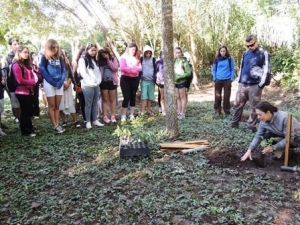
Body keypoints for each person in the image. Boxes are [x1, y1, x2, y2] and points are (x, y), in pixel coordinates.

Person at [231, 34, 271, 131]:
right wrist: (239, 80)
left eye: (252, 45)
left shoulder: (263, 53)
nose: (250, 47)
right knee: (237, 105)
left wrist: (261, 84)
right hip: (243, 84)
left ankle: (251, 126)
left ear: (256, 42)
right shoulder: (245, 53)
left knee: (254, 108)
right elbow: (242, 67)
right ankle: (234, 123)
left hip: (255, 84)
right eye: (247, 46)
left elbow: (267, 70)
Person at [39, 39, 66, 133]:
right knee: (52, 106)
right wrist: (52, 82)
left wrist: (61, 81)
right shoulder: (44, 57)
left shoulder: (60, 57)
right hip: (49, 83)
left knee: (57, 106)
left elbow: (64, 70)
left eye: (57, 47)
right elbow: (42, 70)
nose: (55, 49)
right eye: (53, 47)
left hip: (59, 83)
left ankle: (57, 124)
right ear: (48, 47)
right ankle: (54, 125)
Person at [12, 46, 38, 136]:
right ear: (19, 53)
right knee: (25, 111)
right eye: (24, 52)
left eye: (27, 52)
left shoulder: (26, 64)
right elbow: (19, 80)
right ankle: (26, 131)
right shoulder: (16, 65)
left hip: (29, 91)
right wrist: (32, 82)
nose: (27, 54)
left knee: (29, 111)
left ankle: (29, 128)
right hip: (21, 92)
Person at [78, 43, 103, 129]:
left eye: (95, 50)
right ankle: (88, 121)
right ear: (87, 50)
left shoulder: (94, 60)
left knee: (95, 103)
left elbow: (98, 72)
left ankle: (95, 120)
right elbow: (83, 73)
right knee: (88, 103)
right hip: (87, 85)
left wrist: (98, 81)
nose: (93, 52)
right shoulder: (83, 59)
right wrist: (91, 81)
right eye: (92, 50)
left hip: (96, 85)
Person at [119, 43, 142, 122]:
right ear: (128, 49)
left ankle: (132, 114)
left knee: (133, 96)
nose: (134, 51)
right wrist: (132, 69)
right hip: (125, 79)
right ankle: (123, 115)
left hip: (134, 79)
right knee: (126, 97)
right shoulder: (123, 57)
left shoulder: (136, 57)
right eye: (132, 49)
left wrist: (131, 68)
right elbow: (122, 68)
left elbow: (140, 68)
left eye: (135, 50)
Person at [59, 50, 80, 128]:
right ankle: (64, 121)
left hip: (68, 85)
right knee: (60, 104)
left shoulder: (66, 64)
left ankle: (75, 121)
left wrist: (67, 83)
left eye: (62, 54)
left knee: (70, 103)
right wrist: (61, 84)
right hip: (59, 86)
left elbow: (71, 75)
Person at [212, 45, 235, 116]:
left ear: (226, 51)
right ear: (219, 52)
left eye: (224, 51)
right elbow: (214, 69)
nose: (222, 52)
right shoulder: (216, 59)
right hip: (218, 80)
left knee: (227, 96)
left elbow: (232, 69)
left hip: (227, 80)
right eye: (221, 51)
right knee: (217, 96)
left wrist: (231, 78)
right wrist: (214, 78)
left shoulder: (229, 59)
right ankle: (217, 110)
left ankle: (226, 110)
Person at [98, 47, 119, 123]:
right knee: (105, 99)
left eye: (105, 54)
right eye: (103, 55)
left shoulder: (113, 59)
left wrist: (108, 60)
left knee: (112, 99)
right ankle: (105, 116)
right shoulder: (100, 62)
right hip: (103, 82)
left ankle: (113, 115)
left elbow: (115, 69)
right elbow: (99, 72)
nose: (104, 56)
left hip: (112, 81)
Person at [3, 37, 21, 123]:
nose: (17, 46)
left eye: (18, 44)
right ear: (10, 46)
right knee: (14, 100)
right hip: (12, 83)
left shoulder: (22, 53)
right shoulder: (8, 57)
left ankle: (24, 116)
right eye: (15, 44)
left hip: (22, 82)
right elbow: (6, 71)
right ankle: (16, 116)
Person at [174, 46, 191, 119]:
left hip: (182, 82)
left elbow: (188, 73)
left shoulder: (184, 61)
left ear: (181, 53)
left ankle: (183, 112)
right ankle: (179, 111)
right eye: (176, 52)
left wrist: (180, 76)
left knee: (182, 97)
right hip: (176, 82)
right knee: (177, 97)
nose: (178, 54)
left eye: (179, 52)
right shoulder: (174, 61)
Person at [140, 45, 156, 116]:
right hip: (144, 80)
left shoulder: (153, 59)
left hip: (151, 81)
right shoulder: (141, 59)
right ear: (144, 53)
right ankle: (142, 111)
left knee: (150, 96)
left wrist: (155, 78)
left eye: (149, 53)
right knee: (144, 96)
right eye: (147, 53)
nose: (148, 54)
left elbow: (155, 69)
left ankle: (149, 110)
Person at [156, 51, 166, 116]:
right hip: (161, 81)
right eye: (163, 54)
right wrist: (157, 79)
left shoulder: (172, 61)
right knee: (162, 97)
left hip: (170, 82)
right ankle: (163, 110)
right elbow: (156, 71)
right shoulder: (158, 62)